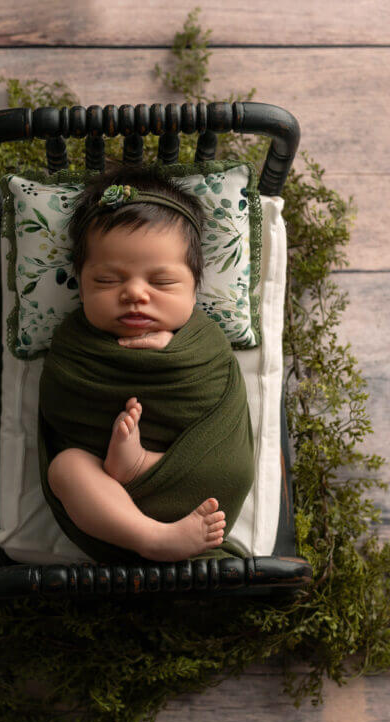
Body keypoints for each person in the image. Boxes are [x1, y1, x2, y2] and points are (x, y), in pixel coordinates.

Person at [38, 165, 254, 563]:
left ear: (194, 290)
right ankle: (152, 537)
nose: (135, 293)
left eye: (162, 282)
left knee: (235, 468)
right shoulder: (74, 347)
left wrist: (174, 352)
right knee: (66, 469)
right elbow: (60, 410)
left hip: (199, 487)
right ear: (81, 286)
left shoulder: (205, 344)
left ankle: (140, 464)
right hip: (107, 500)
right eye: (107, 281)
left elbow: (220, 403)